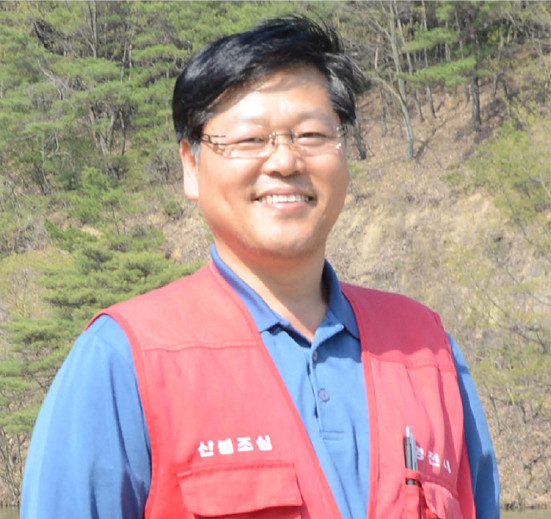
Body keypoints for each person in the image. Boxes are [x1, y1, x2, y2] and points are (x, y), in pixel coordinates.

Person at [21, 15, 500, 519]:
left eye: (311, 134)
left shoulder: (427, 351)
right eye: (250, 140)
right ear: (191, 164)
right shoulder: (125, 358)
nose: (285, 161)